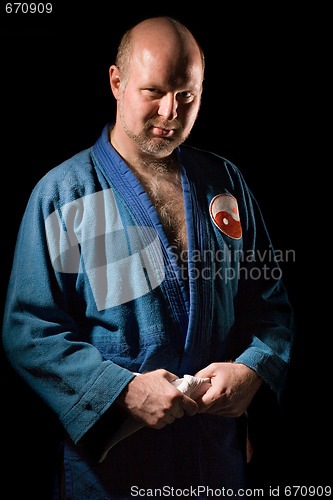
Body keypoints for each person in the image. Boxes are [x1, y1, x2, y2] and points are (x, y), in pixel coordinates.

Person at [3, 17, 294, 499]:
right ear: (116, 82)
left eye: (186, 96)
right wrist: (122, 391)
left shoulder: (224, 183)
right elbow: (30, 330)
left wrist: (255, 369)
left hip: (213, 460)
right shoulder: (63, 194)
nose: (169, 112)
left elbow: (270, 302)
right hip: (116, 466)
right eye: (153, 91)